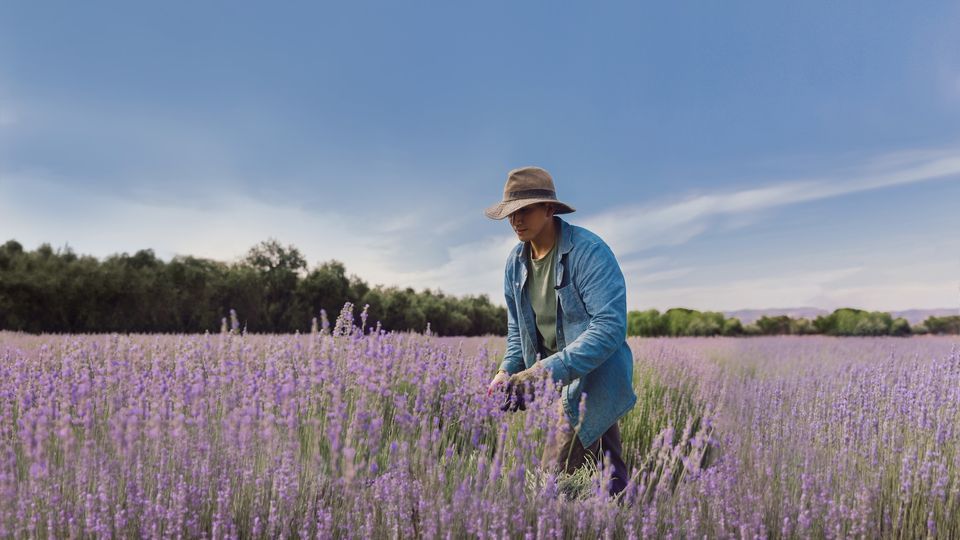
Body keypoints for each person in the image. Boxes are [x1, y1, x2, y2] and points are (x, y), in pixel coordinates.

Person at [483, 165, 637, 499]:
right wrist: (504, 371)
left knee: (552, 486)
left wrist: (543, 373)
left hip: (595, 377)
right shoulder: (515, 263)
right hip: (557, 376)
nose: (516, 221)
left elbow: (610, 327)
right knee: (611, 478)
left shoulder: (589, 252)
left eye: (524, 211)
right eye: (510, 214)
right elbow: (517, 328)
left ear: (549, 209)